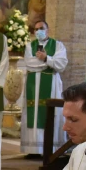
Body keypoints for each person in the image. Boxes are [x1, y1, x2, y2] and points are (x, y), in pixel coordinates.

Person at [21, 21, 69, 155]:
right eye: (36, 29)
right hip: (32, 85)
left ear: (48, 30)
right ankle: (32, 149)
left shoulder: (58, 45)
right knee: (33, 114)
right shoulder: (30, 46)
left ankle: (50, 148)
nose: (38, 31)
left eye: (41, 28)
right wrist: (49, 63)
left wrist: (46, 58)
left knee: (50, 113)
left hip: (51, 84)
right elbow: (29, 63)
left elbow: (61, 64)